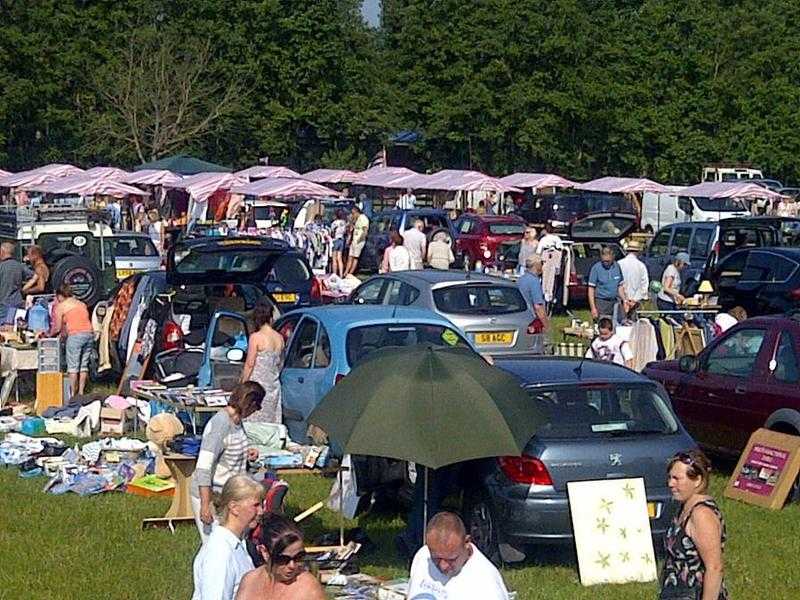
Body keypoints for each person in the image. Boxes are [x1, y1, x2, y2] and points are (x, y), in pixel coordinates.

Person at [191, 382, 264, 543]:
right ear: (249, 404)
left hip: (229, 493)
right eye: (257, 407)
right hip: (212, 496)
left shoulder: (237, 422)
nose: (255, 411)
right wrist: (205, 504)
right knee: (214, 544)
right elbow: (204, 466)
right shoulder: (220, 424)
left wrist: (246, 453)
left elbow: (230, 447)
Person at [660, 450, 728, 600]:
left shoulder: (701, 515)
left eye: (677, 478)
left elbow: (715, 567)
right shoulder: (684, 508)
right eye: (670, 478)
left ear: (697, 480)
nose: (670, 483)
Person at [192, 474, 265, 600]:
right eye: (256, 505)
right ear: (234, 508)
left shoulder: (238, 544)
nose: (261, 511)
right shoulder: (220, 553)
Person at [407, 512, 509, 600]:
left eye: (451, 559)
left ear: (467, 543)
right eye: (437, 558)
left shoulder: (487, 585)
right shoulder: (423, 556)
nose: (443, 566)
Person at [235, 513, 325, 600]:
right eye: (283, 559)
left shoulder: (308, 588)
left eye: (298, 557)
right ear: (264, 552)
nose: (292, 565)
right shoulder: (249, 581)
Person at [240, 304, 284, 424]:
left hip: (257, 386)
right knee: (271, 421)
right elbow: (280, 363)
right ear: (271, 318)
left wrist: (243, 384)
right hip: (273, 385)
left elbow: (250, 364)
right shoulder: (279, 338)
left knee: (255, 421)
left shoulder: (256, 337)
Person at [50, 285, 94, 396]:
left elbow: (58, 328)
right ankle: (81, 392)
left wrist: (49, 335)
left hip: (75, 335)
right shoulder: (81, 304)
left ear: (60, 295)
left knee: (73, 367)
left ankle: (73, 395)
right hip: (89, 333)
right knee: (83, 365)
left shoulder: (61, 307)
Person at [0, 242, 36, 324]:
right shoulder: (20, 266)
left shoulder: (1, 267)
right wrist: (24, 288)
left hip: (3, 304)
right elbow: (35, 276)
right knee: (16, 327)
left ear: (2, 252)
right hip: (17, 302)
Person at [588, 246, 627, 321]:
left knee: (618, 323)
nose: (606, 263)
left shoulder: (617, 267)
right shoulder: (596, 268)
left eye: (608, 261)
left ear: (613, 257)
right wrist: (593, 308)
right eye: (604, 261)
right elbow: (591, 289)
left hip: (615, 301)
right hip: (601, 302)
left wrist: (624, 300)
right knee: (603, 324)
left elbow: (620, 286)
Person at [617, 240, 649, 322]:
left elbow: (616, 283)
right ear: (638, 252)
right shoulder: (641, 266)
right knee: (634, 324)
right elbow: (644, 284)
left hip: (621, 298)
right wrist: (635, 300)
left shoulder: (619, 264)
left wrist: (625, 299)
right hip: (635, 299)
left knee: (620, 323)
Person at [517, 255, 548, 334]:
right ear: (536, 265)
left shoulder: (520, 279)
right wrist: (546, 325)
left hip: (520, 318)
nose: (543, 266)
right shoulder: (534, 281)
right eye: (541, 263)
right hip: (532, 321)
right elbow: (538, 307)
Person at [345, 205, 369, 276]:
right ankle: (346, 272)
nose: (352, 215)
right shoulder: (356, 219)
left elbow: (365, 231)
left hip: (359, 240)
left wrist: (360, 239)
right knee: (350, 256)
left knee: (355, 257)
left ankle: (350, 273)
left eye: (353, 213)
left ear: (357, 212)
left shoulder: (363, 218)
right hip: (354, 240)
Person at [330, 209, 348, 277]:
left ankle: (334, 274)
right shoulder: (344, 222)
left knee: (334, 259)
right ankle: (341, 274)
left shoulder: (334, 223)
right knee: (339, 258)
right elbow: (345, 231)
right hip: (342, 240)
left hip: (335, 240)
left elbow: (332, 233)